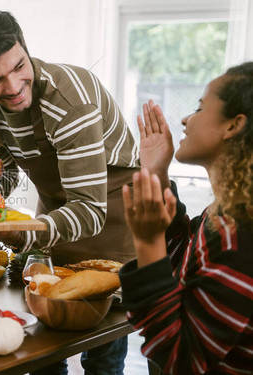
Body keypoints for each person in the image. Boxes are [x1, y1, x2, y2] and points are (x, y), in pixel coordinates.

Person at [0, 9, 139, 375]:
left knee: (102, 344)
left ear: (25, 46)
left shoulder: (70, 99)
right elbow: (2, 172)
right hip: (55, 205)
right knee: (41, 339)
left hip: (113, 207)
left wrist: (21, 231)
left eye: (19, 66)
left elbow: (89, 208)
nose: (13, 87)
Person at [119, 62, 253, 374]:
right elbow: (184, 264)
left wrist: (148, 241)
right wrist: (156, 173)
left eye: (199, 107)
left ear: (233, 126)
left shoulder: (242, 240)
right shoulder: (226, 213)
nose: (184, 118)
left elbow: (183, 361)